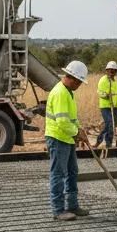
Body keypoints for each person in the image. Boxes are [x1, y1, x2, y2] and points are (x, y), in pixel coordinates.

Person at [45, 61, 92, 221]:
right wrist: (76, 133)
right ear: (71, 77)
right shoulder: (60, 93)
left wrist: (80, 130)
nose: (79, 85)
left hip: (67, 138)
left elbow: (72, 118)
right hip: (58, 138)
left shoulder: (69, 92)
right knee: (58, 174)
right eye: (78, 81)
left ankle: (72, 206)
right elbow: (63, 122)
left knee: (72, 172)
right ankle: (58, 210)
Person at [94, 61, 117, 151]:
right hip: (105, 106)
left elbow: (116, 95)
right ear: (107, 71)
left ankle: (107, 143)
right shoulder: (103, 80)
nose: (112, 72)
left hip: (115, 107)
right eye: (110, 70)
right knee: (109, 124)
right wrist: (106, 95)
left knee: (112, 126)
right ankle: (103, 142)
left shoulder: (115, 81)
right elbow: (99, 92)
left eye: (114, 71)